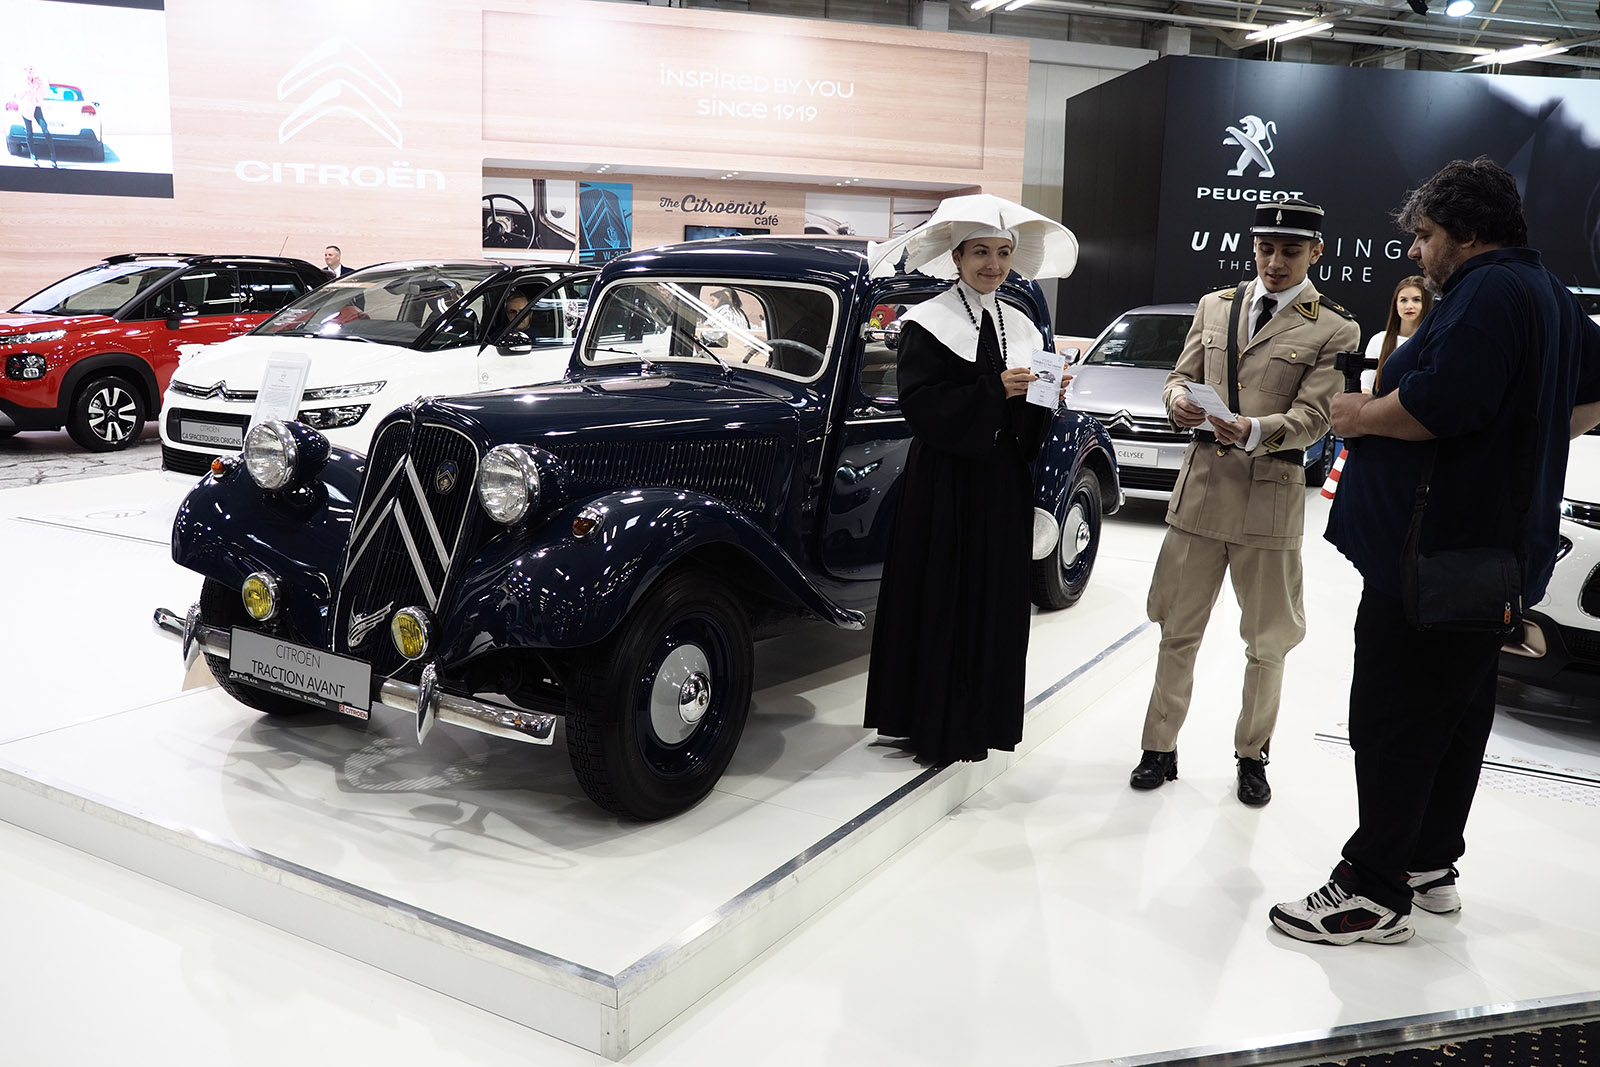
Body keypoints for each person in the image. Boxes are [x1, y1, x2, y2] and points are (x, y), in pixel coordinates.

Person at [1270, 157, 1600, 946]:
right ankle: (1426, 863)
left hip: (1434, 555)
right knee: (1454, 713)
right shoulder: (1548, 293)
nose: (1416, 252)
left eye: (1425, 235)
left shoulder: (1486, 292)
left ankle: (1371, 891)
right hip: (1482, 556)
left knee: (1396, 717)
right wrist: (1524, 443)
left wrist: (1357, 414)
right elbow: (1589, 394)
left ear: (1469, 231)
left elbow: (1437, 406)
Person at [1129, 198, 1359, 806]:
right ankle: (1158, 747)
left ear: (1315, 252)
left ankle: (1253, 757)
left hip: (1268, 502)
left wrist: (1254, 431)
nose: (1275, 262)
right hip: (1200, 495)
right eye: (1266, 249)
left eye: (1290, 251)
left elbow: (1317, 417)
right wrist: (1178, 401)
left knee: (1268, 642)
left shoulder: (1334, 327)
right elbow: (1178, 377)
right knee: (1177, 629)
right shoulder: (1215, 306)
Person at [863, 221, 1068, 765]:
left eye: (1002, 253)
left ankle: (982, 720)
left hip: (1001, 481)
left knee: (994, 598)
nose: (993, 265)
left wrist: (1047, 394)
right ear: (956, 257)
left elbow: (1029, 420)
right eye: (980, 252)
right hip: (946, 482)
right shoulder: (927, 322)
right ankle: (932, 724)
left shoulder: (1020, 323)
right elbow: (920, 406)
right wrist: (994, 389)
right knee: (943, 595)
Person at [1361, 275, 1432, 392]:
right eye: (1403, 300)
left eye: (1416, 300)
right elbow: (1366, 384)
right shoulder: (1379, 340)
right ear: (1396, 304)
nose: (1409, 306)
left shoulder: (1432, 342)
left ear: (1426, 303)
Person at [13, 64, 57, 169]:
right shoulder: (21, 82)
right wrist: (25, 89)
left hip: (36, 107)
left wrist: (40, 83)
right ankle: (33, 155)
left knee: (45, 130)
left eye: (31, 68)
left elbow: (45, 89)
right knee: (29, 132)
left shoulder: (39, 80)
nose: (29, 71)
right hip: (26, 108)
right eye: (27, 69)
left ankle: (53, 156)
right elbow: (18, 95)